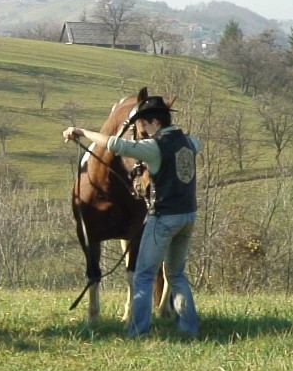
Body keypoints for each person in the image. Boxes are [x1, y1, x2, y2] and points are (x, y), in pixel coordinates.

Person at [62, 95, 201, 337]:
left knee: (143, 275)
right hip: (187, 216)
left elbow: (116, 145)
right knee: (176, 274)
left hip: (164, 219)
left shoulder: (155, 147)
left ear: (154, 121)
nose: (143, 131)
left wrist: (81, 131)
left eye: (144, 125)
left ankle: (137, 329)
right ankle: (189, 328)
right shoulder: (190, 143)